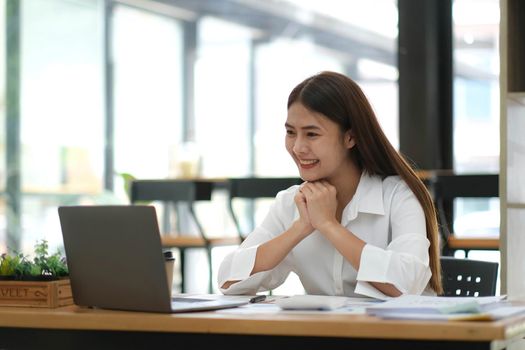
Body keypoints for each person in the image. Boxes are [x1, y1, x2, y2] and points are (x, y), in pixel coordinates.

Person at [217, 71, 442, 299]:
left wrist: (328, 225)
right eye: (291, 133)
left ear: (350, 137)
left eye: (312, 134)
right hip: (326, 333)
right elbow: (228, 280)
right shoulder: (291, 203)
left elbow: (404, 285)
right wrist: (299, 229)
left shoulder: (398, 195)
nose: (297, 147)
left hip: (400, 333)